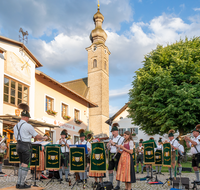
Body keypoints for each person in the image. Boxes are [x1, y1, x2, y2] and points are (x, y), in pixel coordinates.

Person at [13, 103, 48, 189]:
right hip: (26, 146)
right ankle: (22, 184)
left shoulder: (15, 126)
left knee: (22, 164)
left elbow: (22, 135)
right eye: (28, 118)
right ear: (25, 117)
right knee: (25, 165)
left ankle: (18, 183)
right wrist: (44, 137)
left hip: (18, 145)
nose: (28, 119)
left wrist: (29, 136)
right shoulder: (28, 125)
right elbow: (37, 136)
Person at [107, 123, 124, 190]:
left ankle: (118, 185)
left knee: (118, 170)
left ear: (117, 131)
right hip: (111, 154)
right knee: (110, 170)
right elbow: (109, 148)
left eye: (113, 132)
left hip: (118, 155)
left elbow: (121, 147)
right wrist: (108, 146)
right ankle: (111, 184)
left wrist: (113, 144)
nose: (112, 133)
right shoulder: (111, 138)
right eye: (112, 132)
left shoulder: (121, 138)